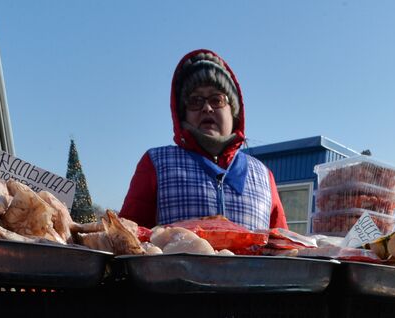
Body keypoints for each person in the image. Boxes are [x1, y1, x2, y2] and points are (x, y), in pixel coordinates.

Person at [120, 49, 286, 231]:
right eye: (195, 101)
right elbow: (126, 235)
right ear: (182, 113)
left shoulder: (263, 176)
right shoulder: (157, 163)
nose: (207, 108)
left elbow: (282, 243)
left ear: (234, 111)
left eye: (217, 100)